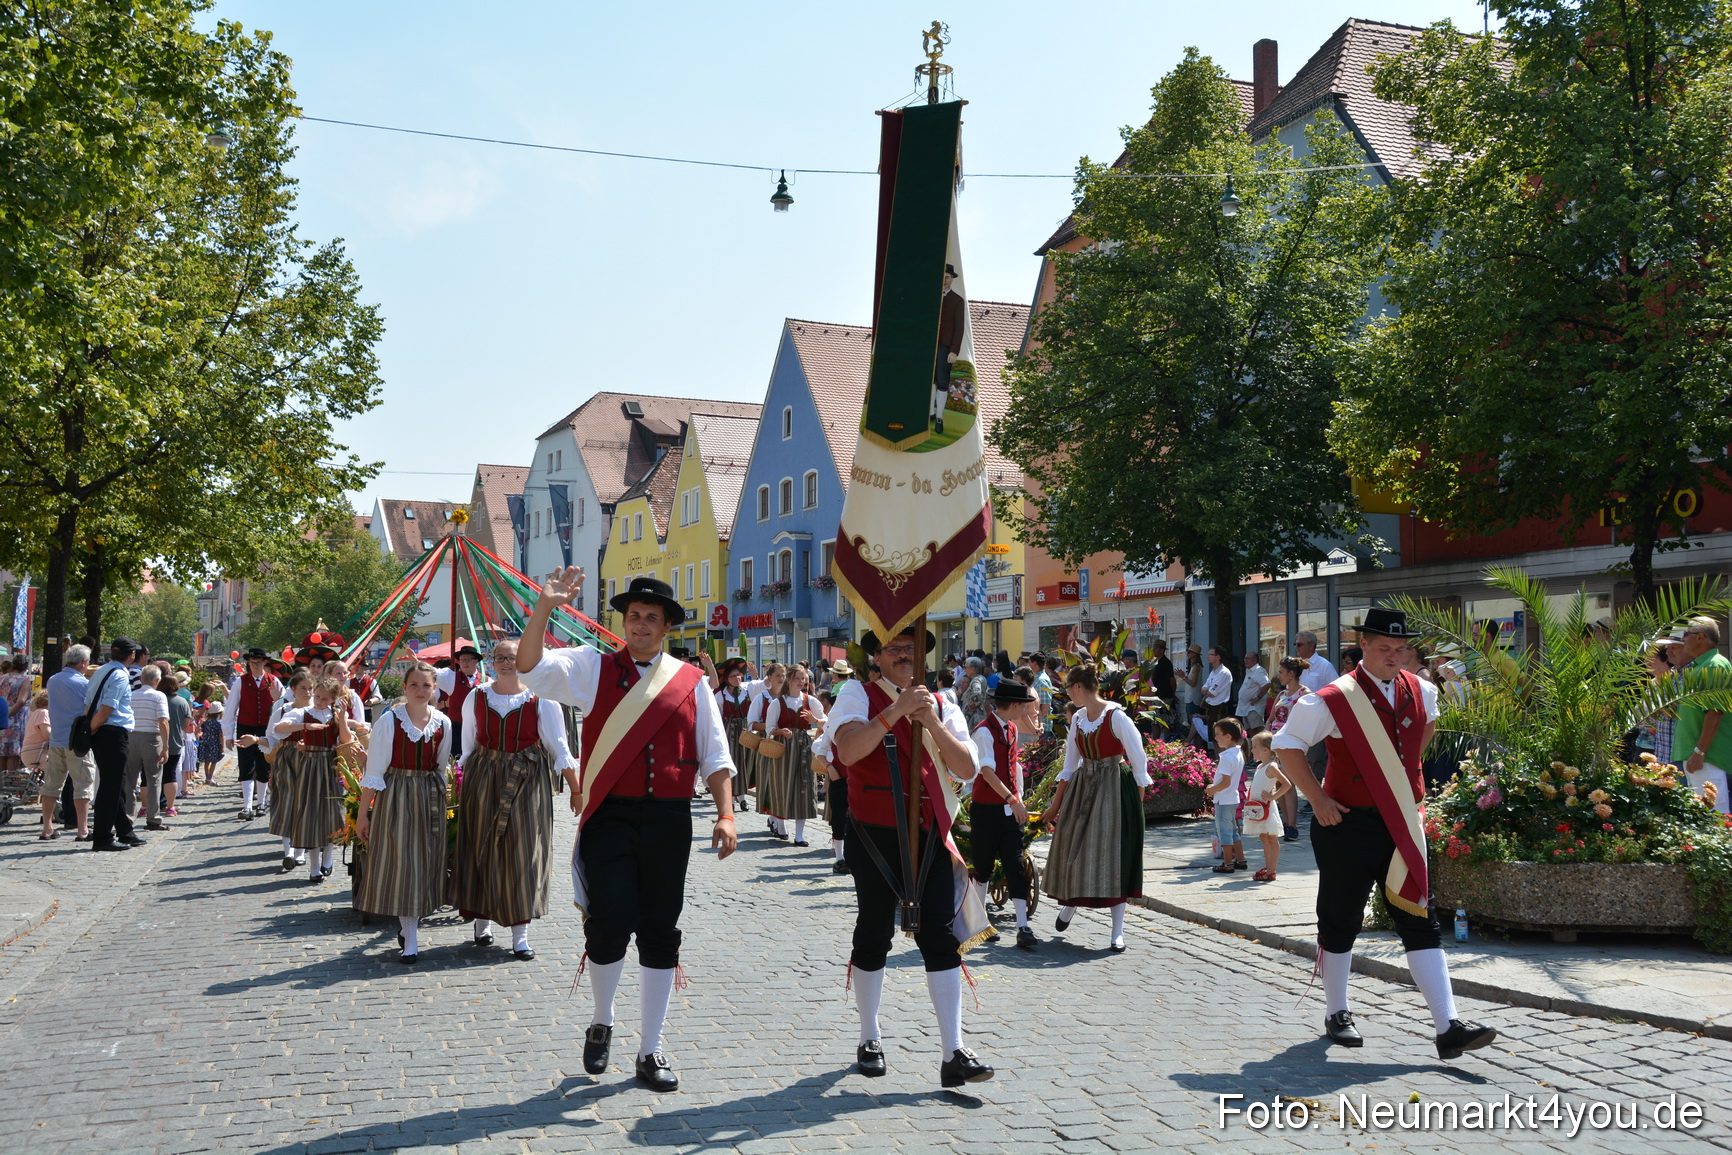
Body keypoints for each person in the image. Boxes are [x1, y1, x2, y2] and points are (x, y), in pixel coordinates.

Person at [518, 571, 736, 1093]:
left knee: (661, 930)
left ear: (665, 628)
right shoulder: (591, 668)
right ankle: (603, 1018)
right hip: (610, 816)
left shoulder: (691, 682)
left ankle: (651, 1048)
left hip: (668, 821)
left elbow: (715, 755)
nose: (641, 624)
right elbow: (529, 667)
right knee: (610, 921)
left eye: (651, 618)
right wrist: (544, 608)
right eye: (634, 616)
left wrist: (726, 814)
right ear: (624, 623)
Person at [1271, 607, 1497, 1061]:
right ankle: (1337, 1011)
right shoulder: (1332, 698)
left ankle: (1448, 1025)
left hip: (1404, 822)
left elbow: (1422, 735)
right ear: (1364, 648)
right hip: (1346, 823)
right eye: (1383, 649)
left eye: (1400, 649)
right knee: (1342, 918)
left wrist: (1403, 784)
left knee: (1419, 916)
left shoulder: (1424, 691)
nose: (1393, 656)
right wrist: (1316, 799)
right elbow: (1286, 746)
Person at [829, 625, 993, 1088]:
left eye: (911, 648)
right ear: (876, 656)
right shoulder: (856, 695)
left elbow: (966, 768)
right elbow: (846, 750)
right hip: (875, 834)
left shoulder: (942, 702)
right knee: (874, 931)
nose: (904, 655)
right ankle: (870, 1036)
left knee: (941, 937)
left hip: (929, 835)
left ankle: (953, 1052)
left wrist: (931, 723)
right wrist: (895, 712)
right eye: (894, 649)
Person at [454, 639, 581, 960]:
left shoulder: (543, 699)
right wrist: (458, 782)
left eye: (512, 658)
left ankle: (520, 935)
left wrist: (576, 790)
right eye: (500, 658)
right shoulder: (476, 696)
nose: (506, 663)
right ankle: (482, 922)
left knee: (524, 852)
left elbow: (559, 747)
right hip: (483, 779)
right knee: (481, 846)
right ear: (492, 663)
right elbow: (468, 746)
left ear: (523, 661)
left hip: (528, 783)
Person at [1044, 663, 1150, 952]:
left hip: (1115, 786)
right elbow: (1070, 763)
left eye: (1068, 687)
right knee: (1072, 844)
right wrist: (1057, 804)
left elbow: (1138, 758)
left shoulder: (1116, 717)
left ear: (1078, 687)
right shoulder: (1078, 718)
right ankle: (1071, 905)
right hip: (1085, 786)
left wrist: (1136, 800)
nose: (1067, 693)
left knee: (1114, 855)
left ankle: (1118, 932)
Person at [355, 662, 453, 964]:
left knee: (424, 863)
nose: (420, 691)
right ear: (404, 688)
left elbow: (440, 766)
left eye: (426, 685)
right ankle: (410, 940)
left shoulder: (443, 722)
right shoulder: (390, 721)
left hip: (428, 796)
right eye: (414, 685)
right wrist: (363, 814)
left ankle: (409, 927)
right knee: (403, 864)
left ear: (434, 688)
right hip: (396, 795)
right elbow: (375, 770)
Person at [969, 680, 1041, 949]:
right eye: (1023, 706)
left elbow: (1014, 767)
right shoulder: (984, 732)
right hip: (986, 810)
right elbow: (986, 773)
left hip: (1009, 809)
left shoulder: (1010, 727)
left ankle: (1023, 926)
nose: (1025, 711)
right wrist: (1013, 800)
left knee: (1014, 864)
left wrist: (1018, 798)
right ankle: (979, 922)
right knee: (984, 866)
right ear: (1013, 705)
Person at [274, 676, 352, 884]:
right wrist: (305, 727)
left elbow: (345, 740)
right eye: (317, 696)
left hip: (330, 765)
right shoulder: (303, 713)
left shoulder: (335, 715)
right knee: (310, 815)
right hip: (308, 765)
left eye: (325, 699)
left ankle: (328, 856)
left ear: (333, 699)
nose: (319, 701)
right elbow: (279, 728)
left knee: (332, 812)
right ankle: (314, 866)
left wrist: (343, 718)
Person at [87, 638, 143, 853]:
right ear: (131, 655)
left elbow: (89, 702)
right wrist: (94, 726)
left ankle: (125, 831)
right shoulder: (120, 675)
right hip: (111, 731)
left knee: (116, 783)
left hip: (103, 731)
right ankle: (102, 837)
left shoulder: (101, 670)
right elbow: (107, 707)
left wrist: (92, 727)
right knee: (110, 788)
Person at [1674, 617, 1732, 814]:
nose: (1683, 640)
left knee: (1715, 818)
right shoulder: (1700, 666)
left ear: (1700, 637)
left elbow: (1715, 712)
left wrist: (1699, 752)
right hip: (1697, 758)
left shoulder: (1714, 665)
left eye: (1686, 634)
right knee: (1701, 820)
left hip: (1706, 758)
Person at [765, 664, 826, 847]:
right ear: (789, 680)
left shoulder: (810, 701)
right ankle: (780, 825)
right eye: (799, 678)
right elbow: (769, 728)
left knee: (804, 788)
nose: (802, 682)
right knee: (783, 786)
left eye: (804, 678)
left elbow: (827, 721)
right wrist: (781, 732)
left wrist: (816, 721)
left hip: (804, 749)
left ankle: (799, 835)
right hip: (784, 749)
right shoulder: (778, 703)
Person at [259, 670, 314, 870]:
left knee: (304, 804)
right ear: (293, 689)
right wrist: (256, 740)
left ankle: (299, 852)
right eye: (303, 688)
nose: (307, 692)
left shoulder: (318, 710)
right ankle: (288, 851)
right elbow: (272, 737)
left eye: (310, 688)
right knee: (286, 802)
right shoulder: (281, 710)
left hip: (310, 760)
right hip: (286, 759)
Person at [41, 645, 95, 841]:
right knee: (82, 784)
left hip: (56, 738)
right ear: (82, 662)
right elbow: (90, 709)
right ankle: (82, 829)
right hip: (78, 741)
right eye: (87, 662)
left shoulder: (53, 680)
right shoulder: (84, 684)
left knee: (51, 785)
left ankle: (47, 827)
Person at [223, 648, 283, 820]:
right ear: (248, 663)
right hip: (245, 727)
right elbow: (231, 708)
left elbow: (283, 706)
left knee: (263, 766)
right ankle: (247, 806)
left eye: (258, 662)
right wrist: (228, 735)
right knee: (246, 766)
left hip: (266, 728)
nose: (255, 666)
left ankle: (261, 803)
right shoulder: (240, 682)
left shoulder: (274, 681)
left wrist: (276, 697)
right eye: (252, 663)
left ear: (264, 663)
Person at [1267, 656, 1310, 842]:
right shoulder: (1282, 694)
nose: (1279, 676)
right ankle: (1285, 822)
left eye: (1281, 672)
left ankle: (1292, 825)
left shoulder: (1304, 694)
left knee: (1288, 782)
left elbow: (1308, 721)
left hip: (1291, 742)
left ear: (1291, 674)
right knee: (1278, 782)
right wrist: (1265, 734)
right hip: (1275, 742)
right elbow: (1271, 718)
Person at [127, 665, 172, 831]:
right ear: (157, 680)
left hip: (131, 737)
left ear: (140, 679)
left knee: (130, 780)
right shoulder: (159, 696)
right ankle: (153, 818)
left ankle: (128, 817)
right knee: (153, 779)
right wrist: (165, 747)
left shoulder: (131, 695)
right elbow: (163, 721)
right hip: (151, 738)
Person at [1242, 731, 1291, 881]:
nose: (1252, 750)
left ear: (1266, 750)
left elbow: (1286, 784)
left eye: (1255, 746)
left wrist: (1273, 797)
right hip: (1258, 807)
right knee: (1264, 837)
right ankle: (1268, 867)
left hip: (1267, 807)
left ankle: (1272, 870)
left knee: (1271, 837)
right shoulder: (1260, 767)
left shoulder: (1271, 767)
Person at [747, 663, 787, 836]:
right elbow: (751, 724)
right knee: (771, 782)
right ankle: (778, 822)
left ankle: (775, 819)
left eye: (783, 675)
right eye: (777, 675)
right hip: (767, 744)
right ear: (769, 677)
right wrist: (770, 725)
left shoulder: (789, 698)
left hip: (786, 745)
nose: (781, 679)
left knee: (783, 783)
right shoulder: (761, 698)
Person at [715, 659, 755, 813]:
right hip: (728, 732)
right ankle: (730, 799)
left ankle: (742, 798)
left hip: (745, 732)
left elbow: (765, 687)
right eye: (733, 676)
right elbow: (716, 716)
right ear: (726, 679)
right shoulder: (720, 695)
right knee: (731, 764)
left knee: (745, 763)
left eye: (739, 676)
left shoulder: (747, 691)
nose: (738, 679)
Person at [1207, 719, 1248, 872]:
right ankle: (1241, 859)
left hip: (1224, 799)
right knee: (1233, 831)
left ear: (1228, 736)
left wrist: (1212, 789)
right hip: (1232, 798)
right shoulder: (1238, 753)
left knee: (1224, 832)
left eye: (1218, 734)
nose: (1216, 738)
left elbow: (1225, 782)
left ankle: (1228, 863)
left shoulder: (1226, 757)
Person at [436, 645, 486, 747]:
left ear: (476, 661)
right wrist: (417, 663)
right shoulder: (451, 678)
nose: (464, 663)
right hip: (456, 728)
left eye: (467, 659)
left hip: (479, 728)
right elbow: (433, 673)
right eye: (461, 660)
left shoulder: (487, 681)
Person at [160, 664, 190, 816]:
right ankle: (169, 806)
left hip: (155, 741)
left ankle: (149, 805)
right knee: (170, 773)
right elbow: (186, 723)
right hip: (175, 741)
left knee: (152, 774)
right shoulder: (181, 702)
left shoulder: (156, 698)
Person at [0, 653, 31, 774]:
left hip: (1, 717)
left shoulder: (3, 677)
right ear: (26, 666)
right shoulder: (24, 680)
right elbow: (21, 701)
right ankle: (10, 784)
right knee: (13, 753)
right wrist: (9, 715)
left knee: (2, 753)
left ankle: (1, 786)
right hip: (16, 720)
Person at [196, 683, 225, 784]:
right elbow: (221, 735)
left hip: (206, 743)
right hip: (215, 744)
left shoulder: (206, 721)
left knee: (207, 761)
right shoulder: (218, 723)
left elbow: (201, 730)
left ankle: (207, 777)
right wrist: (222, 746)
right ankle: (210, 777)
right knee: (214, 761)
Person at [1201, 646, 1233, 737]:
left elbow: (1211, 693)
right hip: (1211, 708)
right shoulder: (1213, 672)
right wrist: (1207, 690)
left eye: (1211, 654)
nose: (1208, 657)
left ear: (1218, 657)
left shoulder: (1223, 672)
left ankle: (1220, 752)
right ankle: (1216, 752)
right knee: (1213, 737)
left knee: (1219, 737)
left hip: (1219, 708)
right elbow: (1203, 689)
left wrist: (1208, 690)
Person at [1237, 651, 1271, 732]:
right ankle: (1253, 745)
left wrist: (1258, 697)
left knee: (1257, 731)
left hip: (1253, 708)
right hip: (1245, 708)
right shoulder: (1248, 670)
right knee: (1249, 731)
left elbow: (1267, 684)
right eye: (1245, 658)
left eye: (1248, 658)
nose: (1245, 660)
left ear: (1255, 660)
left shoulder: (1258, 670)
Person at [959, 655, 989, 730]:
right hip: (977, 718)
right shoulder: (981, 678)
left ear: (973, 669)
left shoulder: (976, 680)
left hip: (973, 719)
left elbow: (977, 693)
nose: (964, 670)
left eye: (966, 667)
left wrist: (971, 705)